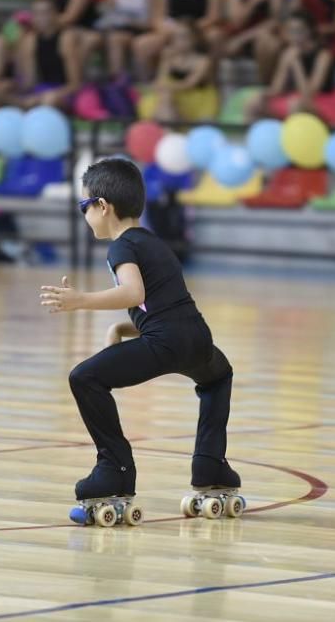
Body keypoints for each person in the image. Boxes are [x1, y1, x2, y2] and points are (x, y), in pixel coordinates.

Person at [39, 158, 241, 506]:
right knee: (217, 378)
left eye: (83, 206)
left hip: (166, 343)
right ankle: (210, 466)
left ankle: (114, 468)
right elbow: (165, 307)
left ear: (102, 206)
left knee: (84, 378)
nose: (84, 214)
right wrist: (124, 327)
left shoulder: (122, 246)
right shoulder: (152, 241)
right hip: (197, 337)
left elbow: (134, 294)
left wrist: (79, 300)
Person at [133, 0, 224, 79]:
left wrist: (188, 29)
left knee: (215, 36)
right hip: (174, 28)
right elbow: (158, 16)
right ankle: (151, 82)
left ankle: (210, 79)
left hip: (199, 27)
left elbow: (214, 16)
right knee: (142, 43)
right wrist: (167, 29)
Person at [246, 12, 335, 124]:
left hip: (323, 102)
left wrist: (296, 64)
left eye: (298, 31)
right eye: (290, 31)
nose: (294, 35)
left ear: (310, 31)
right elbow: (277, 88)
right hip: (297, 98)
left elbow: (309, 93)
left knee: (296, 105)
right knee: (255, 102)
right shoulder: (289, 52)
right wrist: (262, 95)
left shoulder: (323, 55)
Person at [224, 0, 284, 84]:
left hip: (261, 34)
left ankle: (265, 86)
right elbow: (236, 21)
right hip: (241, 32)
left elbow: (275, 20)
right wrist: (254, 0)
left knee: (268, 42)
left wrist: (242, 39)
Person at [14, 0, 81, 109]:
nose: (41, 18)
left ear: (55, 14)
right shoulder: (30, 40)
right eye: (37, 13)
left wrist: (49, 95)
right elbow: (30, 82)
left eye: (45, 13)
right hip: (42, 89)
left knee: (48, 100)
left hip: (65, 92)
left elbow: (75, 84)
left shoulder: (66, 39)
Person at [96, 0, 154, 80]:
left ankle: (143, 81)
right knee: (115, 38)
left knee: (127, 40)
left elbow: (153, 22)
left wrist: (129, 21)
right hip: (120, 31)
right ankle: (117, 81)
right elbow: (107, 16)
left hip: (142, 31)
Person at [151, 21, 216, 122]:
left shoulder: (203, 61)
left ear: (195, 39)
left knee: (167, 96)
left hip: (195, 98)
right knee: (165, 98)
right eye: (176, 37)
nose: (180, 41)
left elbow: (189, 84)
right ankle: (168, 126)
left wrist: (168, 87)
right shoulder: (169, 56)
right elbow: (161, 78)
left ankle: (167, 127)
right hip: (173, 95)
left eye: (184, 37)